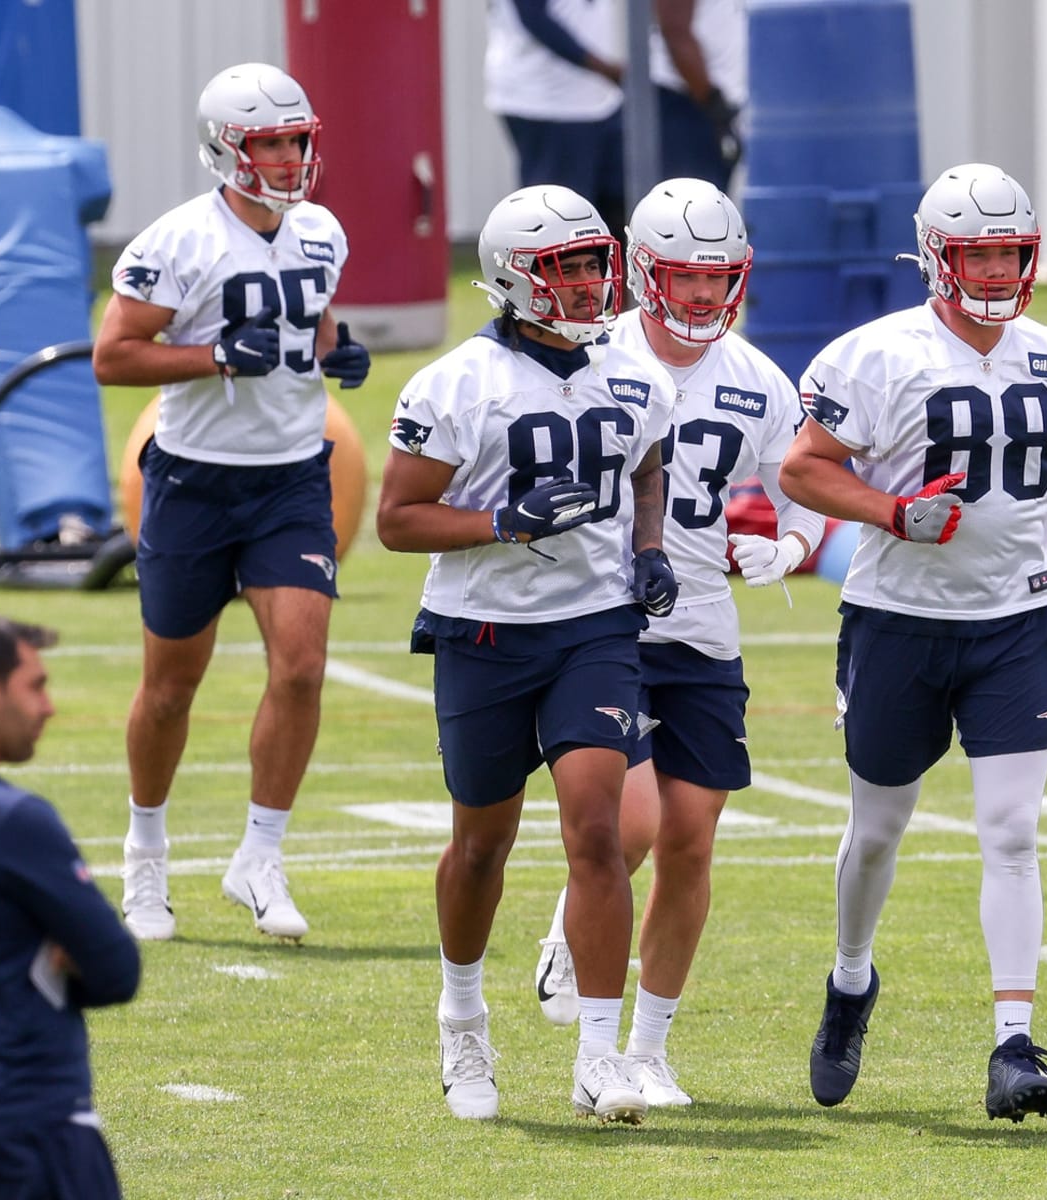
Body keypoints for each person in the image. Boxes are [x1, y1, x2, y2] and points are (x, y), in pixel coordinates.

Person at [777, 163, 1047, 1123]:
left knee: (1011, 830)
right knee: (878, 831)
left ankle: (1013, 1043)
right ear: (937, 257)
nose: (1001, 269)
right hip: (898, 623)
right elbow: (804, 467)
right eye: (980, 253)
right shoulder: (878, 356)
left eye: (1012, 250)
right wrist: (890, 512)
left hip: (1016, 620)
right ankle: (850, 982)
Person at [376, 183, 679, 1125]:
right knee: (482, 844)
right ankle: (461, 1018)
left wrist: (650, 549)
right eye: (566, 267)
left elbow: (647, 465)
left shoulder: (634, 374)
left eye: (595, 264)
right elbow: (396, 520)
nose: (589, 284)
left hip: (593, 625)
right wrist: (501, 522)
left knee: (598, 829)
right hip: (484, 632)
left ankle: (598, 1055)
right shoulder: (454, 384)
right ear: (514, 277)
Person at [532, 177, 825, 1106]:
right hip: (599, 617)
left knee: (692, 839)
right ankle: (575, 966)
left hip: (701, 624)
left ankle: (649, 1051)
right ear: (643, 271)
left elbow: (807, 479)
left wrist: (789, 543)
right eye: (685, 276)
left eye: (719, 277)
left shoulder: (756, 379)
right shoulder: (590, 353)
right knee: (635, 820)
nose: (703, 295)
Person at [92, 62, 371, 943]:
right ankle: (144, 852)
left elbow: (315, 326)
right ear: (227, 150)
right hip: (193, 480)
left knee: (300, 666)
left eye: (298, 141)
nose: (290, 158)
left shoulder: (320, 231)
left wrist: (339, 351)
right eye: (270, 144)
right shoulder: (177, 240)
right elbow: (115, 356)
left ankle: (260, 855)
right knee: (171, 687)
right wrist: (212, 357)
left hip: (292, 477)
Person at [0, 614, 141, 1199]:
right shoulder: (11, 820)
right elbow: (118, 969)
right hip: (24, 1134)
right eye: (35, 686)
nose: (48, 708)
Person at [484, 0, 627, 241]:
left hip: (599, 98)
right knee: (557, 220)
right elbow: (534, 17)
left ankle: (610, 279)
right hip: (545, 101)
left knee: (614, 211)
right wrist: (603, 68)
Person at [652, 0, 747, 193]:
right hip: (688, 102)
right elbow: (674, 32)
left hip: (727, 105)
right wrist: (712, 101)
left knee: (722, 208)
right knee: (691, 208)